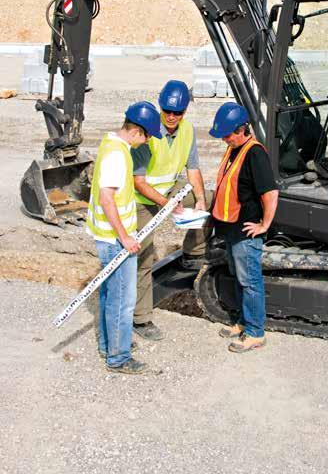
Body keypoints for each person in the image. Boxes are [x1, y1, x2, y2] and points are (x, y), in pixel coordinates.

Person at [131, 80, 213, 340]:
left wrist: (199, 199)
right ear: (160, 106)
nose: (171, 116)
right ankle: (140, 319)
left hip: (168, 190)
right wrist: (166, 204)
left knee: (211, 200)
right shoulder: (147, 132)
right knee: (143, 256)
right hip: (141, 199)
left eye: (177, 112)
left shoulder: (187, 130)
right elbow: (138, 182)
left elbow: (193, 169)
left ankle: (194, 253)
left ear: (185, 111)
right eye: (167, 110)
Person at [86, 101, 162, 374]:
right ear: (137, 132)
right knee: (122, 299)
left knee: (110, 295)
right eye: (148, 136)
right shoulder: (118, 155)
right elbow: (107, 198)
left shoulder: (111, 143)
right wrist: (125, 237)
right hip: (114, 239)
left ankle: (109, 345)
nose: (147, 142)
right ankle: (118, 358)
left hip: (107, 236)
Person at [209, 102, 279, 353]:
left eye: (228, 135)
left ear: (242, 129)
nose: (225, 140)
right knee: (239, 279)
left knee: (250, 281)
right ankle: (242, 322)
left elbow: (270, 193)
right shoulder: (234, 149)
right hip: (231, 228)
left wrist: (265, 224)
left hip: (245, 233)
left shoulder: (255, 154)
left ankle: (255, 332)